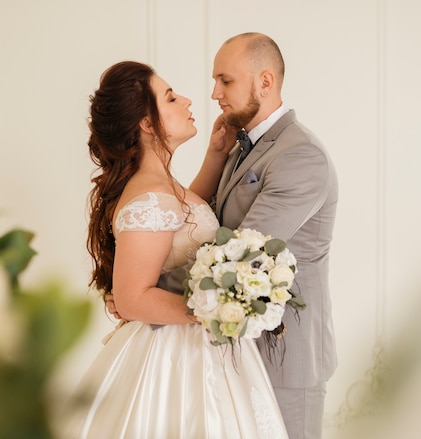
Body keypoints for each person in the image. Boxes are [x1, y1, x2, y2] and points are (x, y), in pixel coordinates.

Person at [115, 33, 339, 439]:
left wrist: (138, 291)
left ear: (265, 83)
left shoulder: (299, 155)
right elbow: (185, 220)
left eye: (226, 81)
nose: (214, 93)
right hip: (225, 353)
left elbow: (237, 256)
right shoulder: (237, 148)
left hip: (282, 357)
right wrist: (134, 287)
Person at [63, 60, 289, 438]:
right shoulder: (150, 196)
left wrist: (216, 156)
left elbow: (182, 218)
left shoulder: (160, 188)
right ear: (147, 124)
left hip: (194, 345)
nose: (186, 100)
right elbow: (132, 298)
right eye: (170, 97)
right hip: (175, 358)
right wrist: (219, 308)